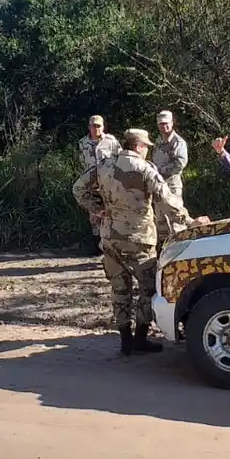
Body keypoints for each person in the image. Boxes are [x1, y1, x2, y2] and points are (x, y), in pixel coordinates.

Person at [73, 129, 207, 356]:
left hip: (109, 237)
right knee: (148, 288)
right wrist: (190, 220)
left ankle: (125, 341)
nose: (147, 151)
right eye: (147, 147)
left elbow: (78, 188)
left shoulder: (104, 164)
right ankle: (141, 339)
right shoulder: (145, 169)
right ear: (139, 147)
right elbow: (167, 201)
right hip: (138, 239)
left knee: (119, 289)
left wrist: (98, 208)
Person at [77, 115, 120, 244]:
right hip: (91, 184)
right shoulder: (83, 143)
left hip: (108, 184)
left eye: (98, 126)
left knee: (111, 213)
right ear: (89, 127)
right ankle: (98, 243)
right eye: (93, 126)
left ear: (103, 127)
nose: (96, 128)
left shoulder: (111, 141)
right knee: (95, 215)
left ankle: (111, 244)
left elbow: (119, 159)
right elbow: (82, 161)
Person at [150, 110, 189, 249]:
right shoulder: (158, 141)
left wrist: (160, 171)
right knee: (160, 219)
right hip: (158, 185)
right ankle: (164, 250)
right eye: (161, 124)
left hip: (172, 185)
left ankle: (181, 248)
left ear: (172, 123)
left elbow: (180, 163)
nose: (164, 127)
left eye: (166, 124)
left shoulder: (177, 142)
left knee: (176, 217)